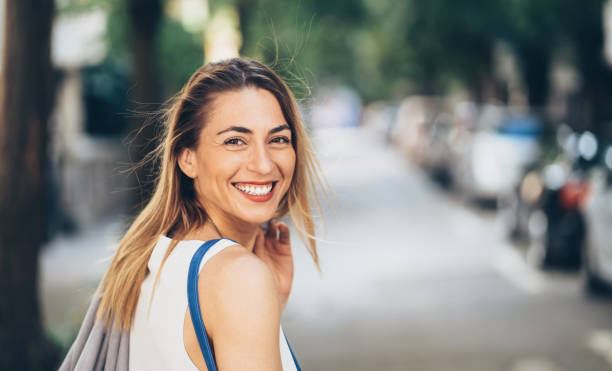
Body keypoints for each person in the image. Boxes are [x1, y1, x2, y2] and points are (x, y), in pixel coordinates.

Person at [95, 57, 325, 370]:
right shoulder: (238, 278)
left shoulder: (153, 256)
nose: (263, 163)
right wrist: (252, 290)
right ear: (187, 158)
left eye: (278, 139)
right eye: (235, 141)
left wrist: (272, 303)